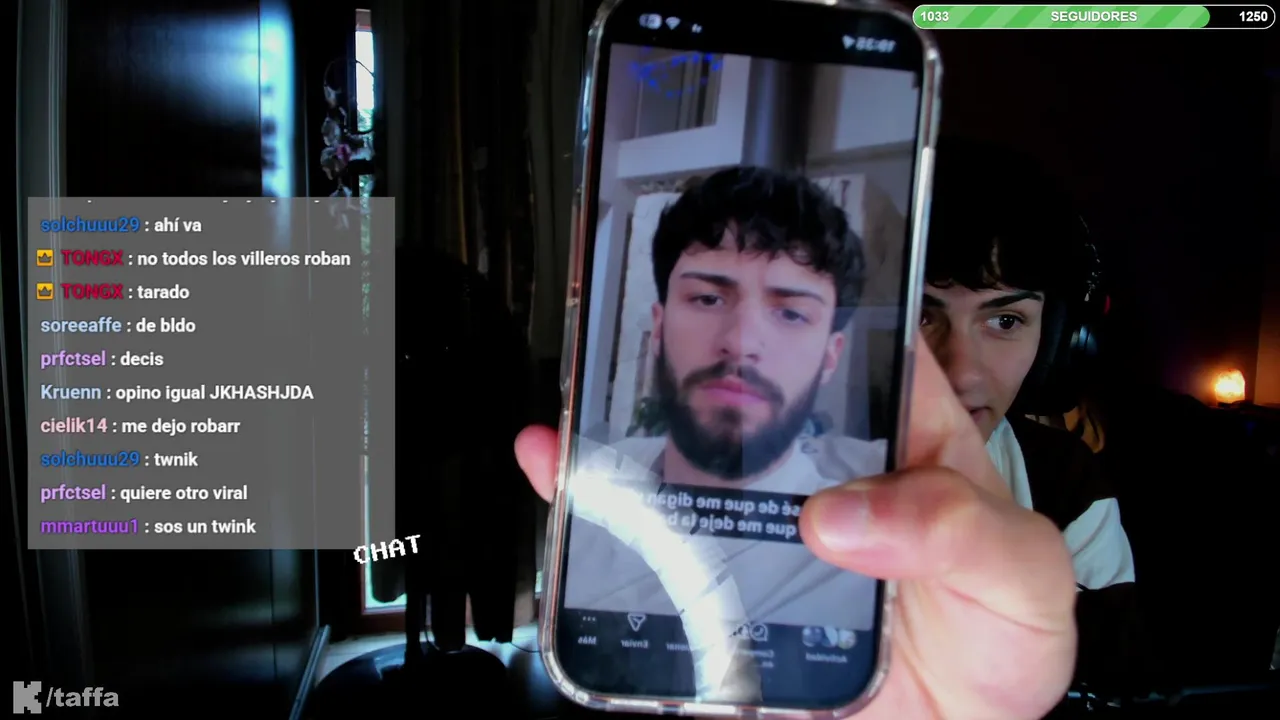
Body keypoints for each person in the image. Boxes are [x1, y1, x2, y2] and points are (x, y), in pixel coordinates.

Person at [562, 167, 885, 633]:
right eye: (708, 299)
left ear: (830, 357)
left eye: (791, 314)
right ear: (659, 328)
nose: (740, 342)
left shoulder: (871, 552)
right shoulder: (593, 495)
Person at [919, 138, 1139, 695]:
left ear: (1057, 342)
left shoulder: (1068, 484)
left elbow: (1110, 684)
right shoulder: (765, 474)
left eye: (1006, 321)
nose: (961, 374)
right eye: (920, 315)